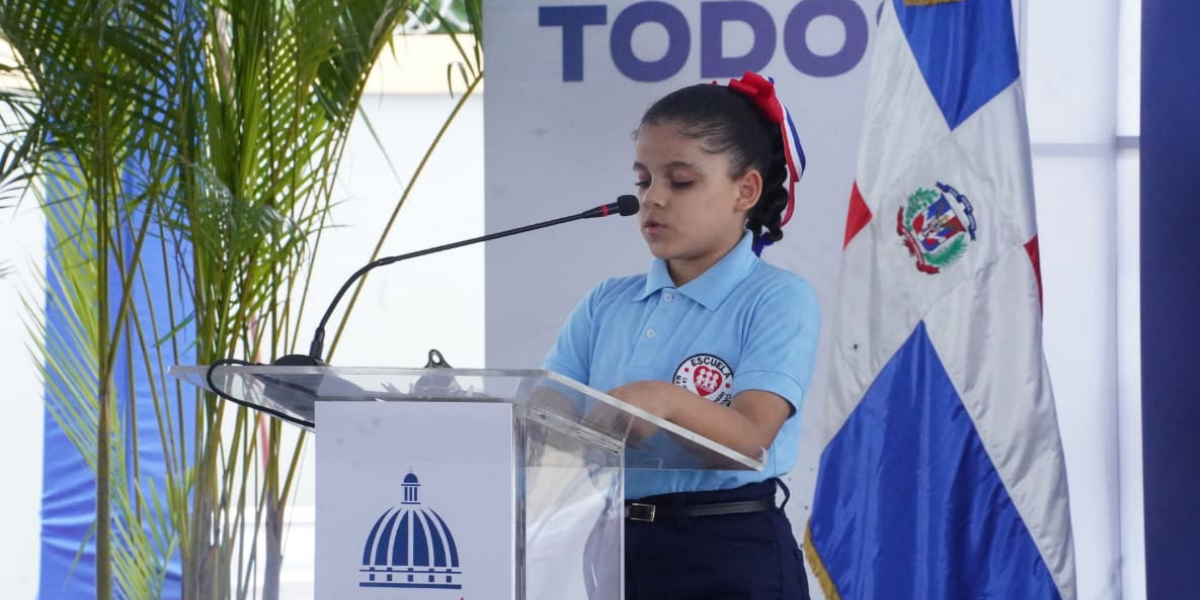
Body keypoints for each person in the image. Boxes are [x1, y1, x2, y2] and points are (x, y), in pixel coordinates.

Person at [542, 71, 820, 600]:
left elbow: (751, 439)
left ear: (747, 189)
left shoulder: (777, 298)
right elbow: (548, 412)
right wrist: (477, 409)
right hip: (612, 546)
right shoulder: (607, 301)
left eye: (680, 181)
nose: (653, 199)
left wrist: (662, 401)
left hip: (727, 552)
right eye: (643, 180)